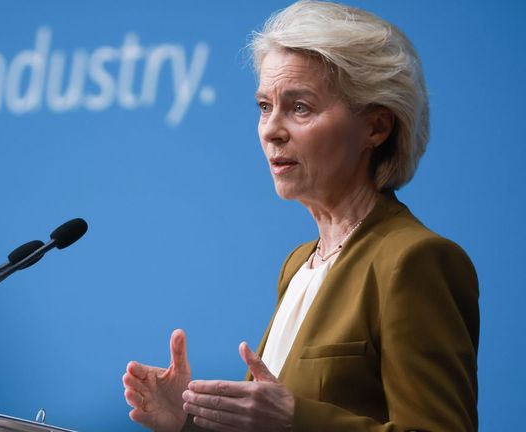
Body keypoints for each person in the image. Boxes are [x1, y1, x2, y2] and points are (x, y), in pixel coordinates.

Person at [122, 1, 479, 431]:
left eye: (300, 108)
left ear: (376, 127)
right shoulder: (298, 265)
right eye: (264, 106)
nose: (271, 130)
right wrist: (189, 421)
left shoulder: (413, 260)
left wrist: (296, 417)